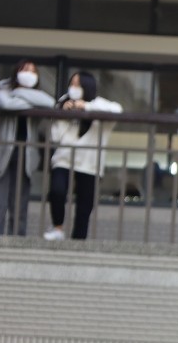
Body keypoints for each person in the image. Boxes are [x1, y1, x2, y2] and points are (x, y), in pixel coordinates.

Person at [44, 71, 122, 241]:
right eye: (72, 84)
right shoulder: (64, 102)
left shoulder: (97, 103)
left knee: (84, 206)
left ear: (88, 86)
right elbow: (55, 137)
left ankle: (78, 241)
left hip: (89, 164)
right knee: (57, 191)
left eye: (78, 84)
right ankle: (57, 228)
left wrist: (85, 107)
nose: (74, 88)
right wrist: (63, 114)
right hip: (63, 159)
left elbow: (117, 110)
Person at [0, 60, 53, 236]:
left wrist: (19, 94)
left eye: (33, 71)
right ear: (16, 73)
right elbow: (5, 104)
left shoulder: (36, 95)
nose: (29, 74)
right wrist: (30, 103)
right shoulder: (3, 90)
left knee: (20, 204)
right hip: (1, 153)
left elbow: (50, 102)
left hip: (27, 154)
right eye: (25, 70)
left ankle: (17, 239)